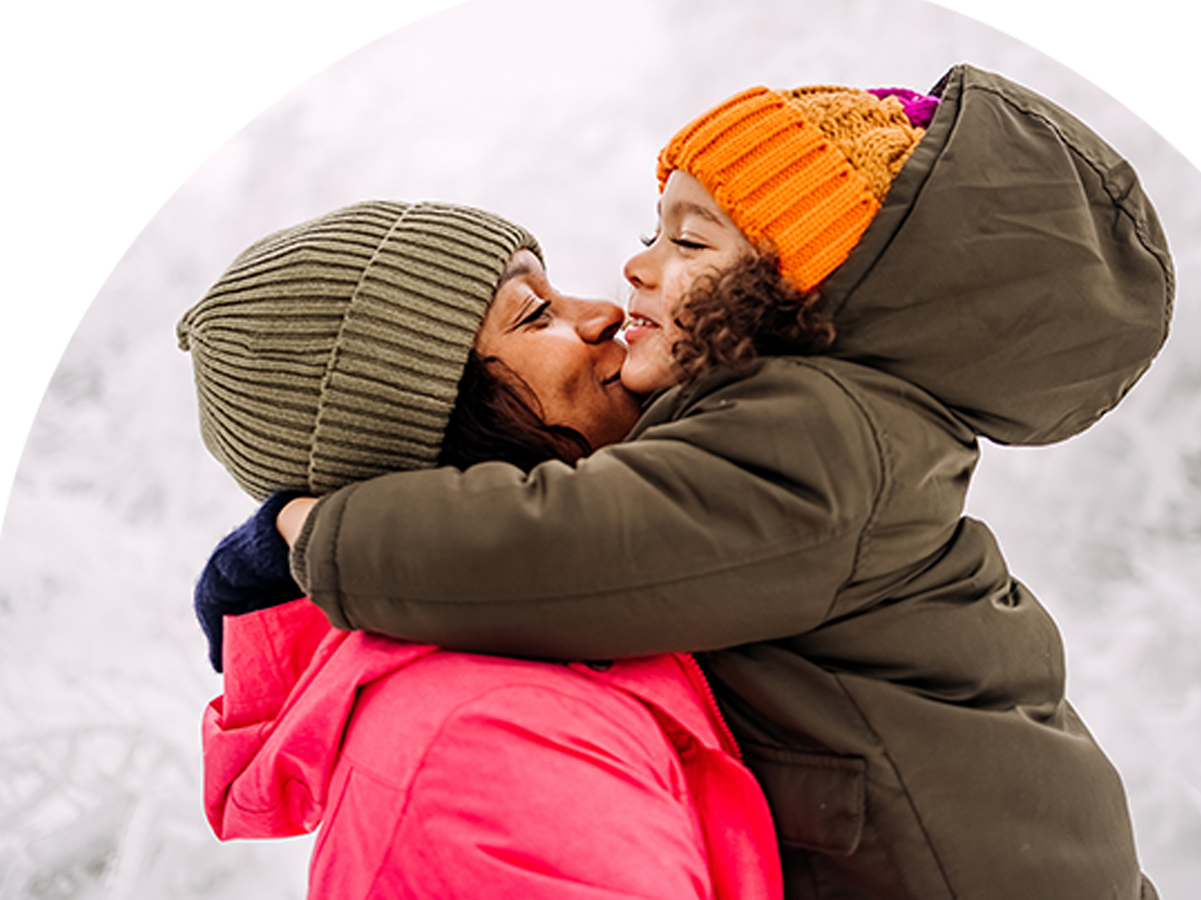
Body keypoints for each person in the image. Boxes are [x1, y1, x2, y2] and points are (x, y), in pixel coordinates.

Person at [271, 65, 1174, 899]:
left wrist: (328, 536)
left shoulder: (820, 429)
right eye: (649, 231)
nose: (632, 270)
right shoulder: (801, 422)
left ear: (792, 286)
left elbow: (582, 546)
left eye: (690, 241)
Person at [176, 201, 781, 900]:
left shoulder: (592, 631)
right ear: (430, 431)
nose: (603, 313)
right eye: (535, 314)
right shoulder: (489, 732)